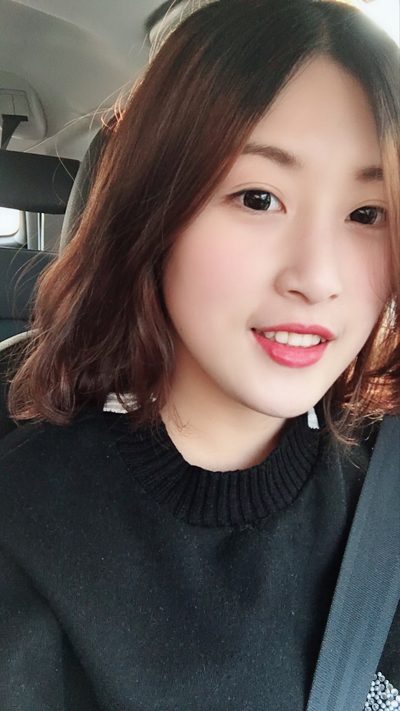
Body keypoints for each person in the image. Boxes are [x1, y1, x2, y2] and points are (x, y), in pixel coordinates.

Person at [0, 0, 399, 708]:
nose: (317, 277)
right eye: (258, 198)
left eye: (367, 214)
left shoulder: (385, 480)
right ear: (155, 210)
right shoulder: (27, 523)